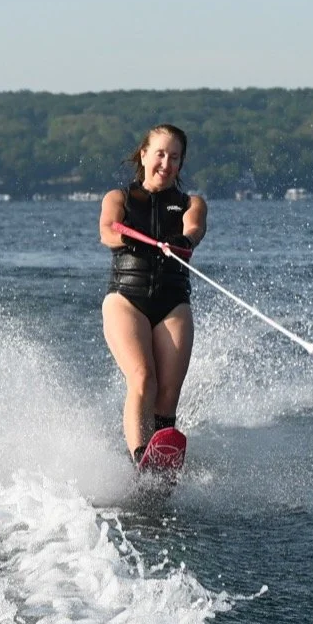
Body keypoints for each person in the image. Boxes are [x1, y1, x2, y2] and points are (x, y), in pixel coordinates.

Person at [99, 124, 208, 464]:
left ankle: (161, 461)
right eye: (160, 154)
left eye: (174, 157)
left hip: (172, 302)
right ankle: (138, 458)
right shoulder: (119, 198)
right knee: (142, 377)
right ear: (144, 155)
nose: (166, 163)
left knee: (167, 394)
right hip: (126, 300)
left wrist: (184, 241)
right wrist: (130, 239)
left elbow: (194, 228)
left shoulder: (191, 203)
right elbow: (107, 231)